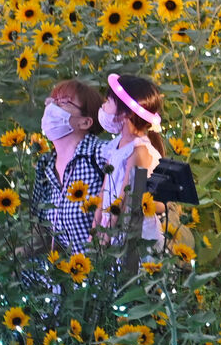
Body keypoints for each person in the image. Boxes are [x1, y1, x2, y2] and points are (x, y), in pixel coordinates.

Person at [28, 79, 109, 258]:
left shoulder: (101, 154)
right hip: (70, 277)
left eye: (63, 102)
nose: (51, 108)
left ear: (85, 122)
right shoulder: (45, 166)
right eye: (52, 101)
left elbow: (135, 155)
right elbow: (39, 233)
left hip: (109, 277)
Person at [96, 73, 167, 247]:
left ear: (126, 113)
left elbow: (124, 198)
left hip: (134, 236)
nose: (103, 106)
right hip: (113, 228)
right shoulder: (114, 147)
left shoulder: (139, 151)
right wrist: (96, 227)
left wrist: (105, 239)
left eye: (108, 102)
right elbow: (104, 192)